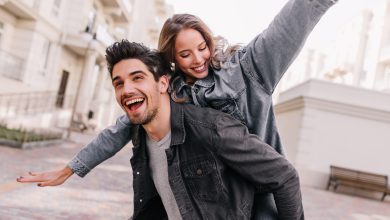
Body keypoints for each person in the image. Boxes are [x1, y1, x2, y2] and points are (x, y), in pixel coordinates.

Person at [17, 0, 337, 218]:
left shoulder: (246, 71)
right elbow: (120, 128)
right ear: (171, 58)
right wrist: (71, 168)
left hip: (261, 202)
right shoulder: (172, 92)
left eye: (202, 47)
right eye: (185, 54)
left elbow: (291, 23)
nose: (198, 59)